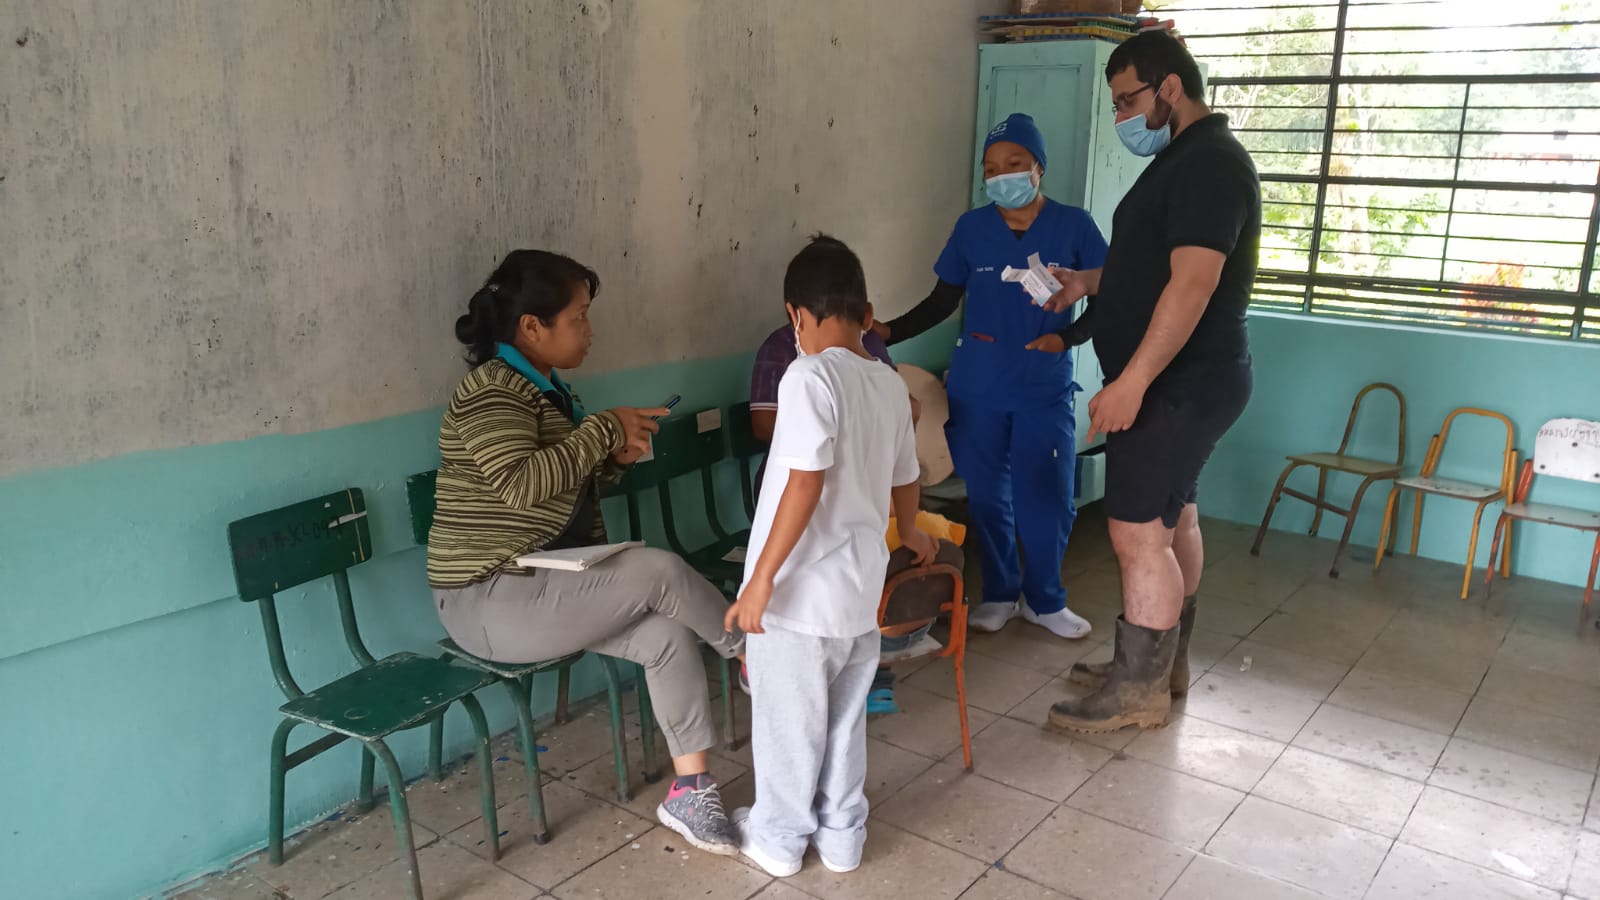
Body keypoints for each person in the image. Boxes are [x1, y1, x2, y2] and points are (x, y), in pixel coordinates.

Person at [427, 249, 745, 854]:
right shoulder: (490, 392)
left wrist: (613, 459)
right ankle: (754, 657)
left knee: (666, 635)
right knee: (660, 571)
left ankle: (691, 791)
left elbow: (560, 488)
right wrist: (602, 429)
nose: (589, 330)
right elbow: (520, 486)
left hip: (550, 579)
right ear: (532, 326)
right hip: (486, 597)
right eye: (578, 317)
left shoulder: (546, 390)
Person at [1044, 30, 1260, 732]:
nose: (1120, 117)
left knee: (1138, 536)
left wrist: (1133, 382)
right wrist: (1089, 281)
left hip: (1175, 386)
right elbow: (1153, 264)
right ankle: (1160, 667)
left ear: (1170, 87)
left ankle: (1138, 690)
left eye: (1126, 100)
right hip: (1190, 381)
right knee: (1174, 521)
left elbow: (1193, 284)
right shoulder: (1186, 159)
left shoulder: (1210, 165)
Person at [724, 235, 937, 878]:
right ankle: (843, 837)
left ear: (795, 316)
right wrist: (911, 530)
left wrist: (760, 580)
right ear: (867, 315)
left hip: (798, 596)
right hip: (856, 594)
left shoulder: (807, 376)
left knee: (789, 726)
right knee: (845, 722)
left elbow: (804, 483)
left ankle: (779, 840)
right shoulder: (889, 384)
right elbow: (906, 474)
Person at [872, 112, 1109, 640]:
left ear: (1038, 167)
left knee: (1047, 496)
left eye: (1014, 163)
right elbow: (942, 300)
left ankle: (1045, 600)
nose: (1002, 175)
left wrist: (1067, 338)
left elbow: (1106, 297)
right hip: (977, 388)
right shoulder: (971, 229)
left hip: (1042, 387)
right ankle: (1000, 594)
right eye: (992, 168)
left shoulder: (1075, 225)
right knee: (987, 496)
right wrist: (890, 331)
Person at [748, 319, 944, 716]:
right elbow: (775, 439)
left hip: (829, 558)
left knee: (797, 729)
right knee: (835, 716)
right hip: (830, 530)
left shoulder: (815, 371)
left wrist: (761, 579)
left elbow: (905, 434)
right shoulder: (795, 360)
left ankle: (871, 670)